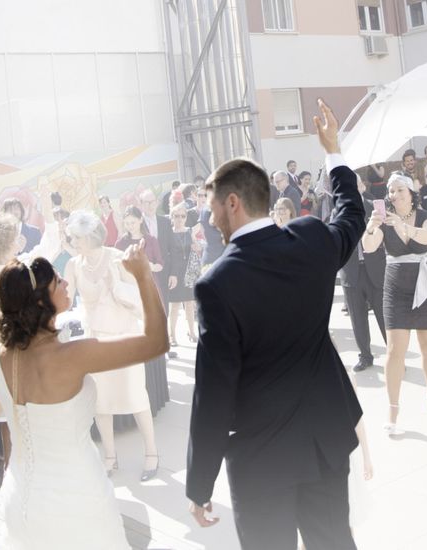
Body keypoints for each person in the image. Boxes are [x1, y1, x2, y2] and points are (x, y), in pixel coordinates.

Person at [187, 99, 364, 549]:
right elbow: (351, 216)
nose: (210, 217)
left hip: (263, 459)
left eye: (212, 206)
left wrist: (199, 484)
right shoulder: (311, 239)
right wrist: (334, 152)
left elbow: (214, 390)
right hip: (325, 436)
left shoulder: (217, 283)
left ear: (233, 203)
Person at [0, 246, 167, 549]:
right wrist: (143, 276)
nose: (66, 283)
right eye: (57, 281)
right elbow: (156, 342)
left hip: (20, 499)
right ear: (40, 301)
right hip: (77, 501)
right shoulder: (72, 356)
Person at [62, 211, 161, 482]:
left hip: (126, 338)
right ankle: (109, 456)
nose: (73, 241)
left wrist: (114, 285)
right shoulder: (73, 264)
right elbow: (64, 299)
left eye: (76, 237)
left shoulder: (117, 259)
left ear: (91, 237)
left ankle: (151, 453)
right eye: (72, 237)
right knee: (101, 402)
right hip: (96, 340)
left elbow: (140, 298)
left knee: (135, 396)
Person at [363, 174, 427, 434]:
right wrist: (372, 227)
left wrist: (403, 225)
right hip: (396, 286)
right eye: (391, 191)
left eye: (399, 189)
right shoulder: (383, 218)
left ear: (411, 192)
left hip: (426, 284)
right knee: (395, 350)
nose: (394, 194)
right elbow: (369, 246)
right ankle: (393, 409)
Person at [340, 175, 387, 372]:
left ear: (361, 186)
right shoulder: (338, 212)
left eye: (354, 184)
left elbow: (386, 235)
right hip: (351, 273)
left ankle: (395, 356)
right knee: (357, 318)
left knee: (385, 317)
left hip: (375, 270)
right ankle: (365, 356)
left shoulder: (375, 208)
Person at [166, 203, 203, 346]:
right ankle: (172, 335)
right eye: (177, 216)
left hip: (188, 272)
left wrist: (197, 247)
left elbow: (198, 247)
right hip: (175, 272)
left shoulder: (189, 231)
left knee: (189, 303)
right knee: (174, 305)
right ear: (172, 217)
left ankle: (191, 332)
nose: (180, 219)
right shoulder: (169, 233)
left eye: (183, 216)